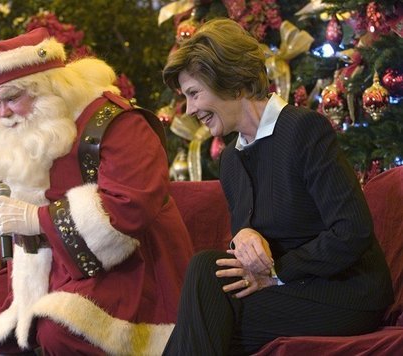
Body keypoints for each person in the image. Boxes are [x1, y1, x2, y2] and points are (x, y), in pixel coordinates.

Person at [0, 27, 193, 355]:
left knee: (60, 330)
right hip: (43, 267)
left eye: (12, 98)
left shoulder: (115, 123)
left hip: (126, 268)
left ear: (48, 88)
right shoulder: (27, 129)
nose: (2, 114)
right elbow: (11, 200)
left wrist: (39, 220)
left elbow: (130, 208)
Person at [161, 18, 394, 355]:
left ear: (233, 83)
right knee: (205, 271)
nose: (191, 109)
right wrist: (243, 236)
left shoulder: (303, 130)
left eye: (194, 94)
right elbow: (252, 240)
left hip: (345, 291)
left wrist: (277, 273)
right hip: (289, 289)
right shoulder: (230, 160)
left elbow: (352, 230)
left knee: (210, 321)